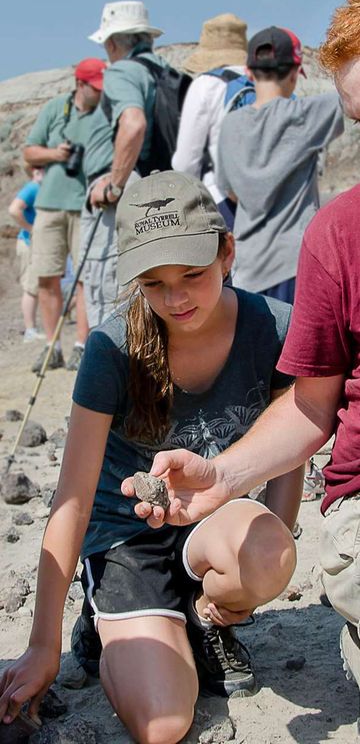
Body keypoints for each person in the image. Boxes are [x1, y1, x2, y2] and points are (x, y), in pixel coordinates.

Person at [0, 172, 303, 744]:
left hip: (213, 518)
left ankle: (206, 618)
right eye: (155, 282)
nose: (177, 297)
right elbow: (72, 498)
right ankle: (106, 623)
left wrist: (273, 553)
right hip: (125, 539)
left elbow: (289, 448)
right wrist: (43, 645)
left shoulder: (273, 327)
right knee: (164, 725)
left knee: (269, 553)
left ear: (227, 252)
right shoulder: (112, 348)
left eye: (192, 274)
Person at [131, 0, 360, 707]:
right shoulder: (312, 131)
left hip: (244, 271)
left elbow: (211, 182)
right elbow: (312, 406)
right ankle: (262, 540)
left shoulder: (229, 125)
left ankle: (250, 542)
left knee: (264, 402)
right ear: (299, 71)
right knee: (282, 395)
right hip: (288, 274)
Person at [216, 25, 344, 304]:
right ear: (295, 74)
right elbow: (350, 99)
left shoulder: (230, 125)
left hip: (248, 267)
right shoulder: (305, 115)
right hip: (296, 263)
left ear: (249, 72)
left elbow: (230, 192)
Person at [81, 0, 165, 329]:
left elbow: (132, 123)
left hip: (119, 196)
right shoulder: (164, 70)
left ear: (113, 42)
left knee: (108, 288)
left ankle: (112, 372)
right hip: (155, 189)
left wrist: (113, 185)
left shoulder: (121, 72)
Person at [23, 57, 106, 372]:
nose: (100, 92)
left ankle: (81, 345)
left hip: (87, 207)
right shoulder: (56, 109)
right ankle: (51, 345)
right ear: (80, 84)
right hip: (49, 205)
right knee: (47, 276)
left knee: (86, 279)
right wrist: (55, 154)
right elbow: (30, 151)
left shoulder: (106, 112)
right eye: (95, 87)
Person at [172, 13, 248, 229]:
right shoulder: (265, 80)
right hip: (270, 204)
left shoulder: (206, 85)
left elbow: (186, 161)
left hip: (222, 201)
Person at [8, 166, 45, 342]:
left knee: (35, 285)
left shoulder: (40, 188)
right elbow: (14, 210)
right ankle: (30, 330)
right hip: (28, 243)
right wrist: (30, 229)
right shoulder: (33, 187)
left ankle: (33, 327)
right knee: (30, 287)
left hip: (34, 244)